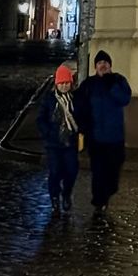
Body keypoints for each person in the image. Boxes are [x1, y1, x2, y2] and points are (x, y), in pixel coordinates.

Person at [73, 49, 132, 217]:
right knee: (98, 171)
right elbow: (79, 105)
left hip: (115, 136)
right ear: (95, 67)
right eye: (99, 63)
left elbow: (125, 99)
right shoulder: (89, 84)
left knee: (114, 170)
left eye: (105, 63)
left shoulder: (118, 80)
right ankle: (99, 200)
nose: (103, 65)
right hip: (96, 136)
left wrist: (111, 85)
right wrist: (83, 126)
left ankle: (108, 192)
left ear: (110, 66)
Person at [36, 65, 80, 215]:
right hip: (53, 144)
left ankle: (66, 194)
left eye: (67, 82)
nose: (64, 85)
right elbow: (41, 118)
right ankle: (54, 196)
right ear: (56, 84)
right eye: (61, 83)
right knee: (55, 172)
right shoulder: (49, 99)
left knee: (72, 171)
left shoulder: (76, 99)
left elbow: (83, 117)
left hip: (70, 143)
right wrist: (47, 133)